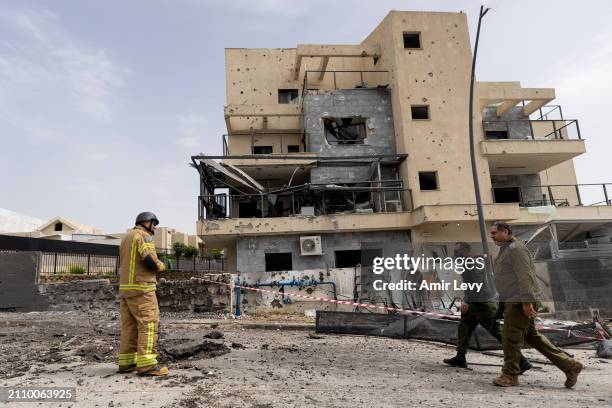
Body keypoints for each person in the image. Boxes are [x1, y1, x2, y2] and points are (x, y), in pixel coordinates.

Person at [490, 222, 583, 387]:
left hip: (519, 300)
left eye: (494, 233)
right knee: (532, 337)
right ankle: (570, 366)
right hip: (513, 299)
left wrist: (526, 301)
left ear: (505, 232)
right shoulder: (507, 249)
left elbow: (525, 276)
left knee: (510, 338)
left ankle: (510, 375)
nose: (492, 236)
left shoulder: (516, 249)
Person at [443, 242, 532, 373]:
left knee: (498, 333)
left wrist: (466, 301)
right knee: (464, 328)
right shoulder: (465, 263)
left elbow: (477, 285)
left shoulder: (473, 264)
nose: (455, 255)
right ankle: (460, 357)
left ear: (466, 251)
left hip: (482, 303)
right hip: (473, 302)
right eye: (455, 252)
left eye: (458, 252)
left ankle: (522, 361)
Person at [117, 212, 168, 376]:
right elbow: (150, 261)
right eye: (154, 224)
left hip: (126, 289)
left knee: (129, 327)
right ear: (146, 222)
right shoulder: (143, 236)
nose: (154, 228)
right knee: (149, 324)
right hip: (142, 289)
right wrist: (162, 266)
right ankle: (147, 365)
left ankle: (127, 363)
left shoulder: (126, 237)